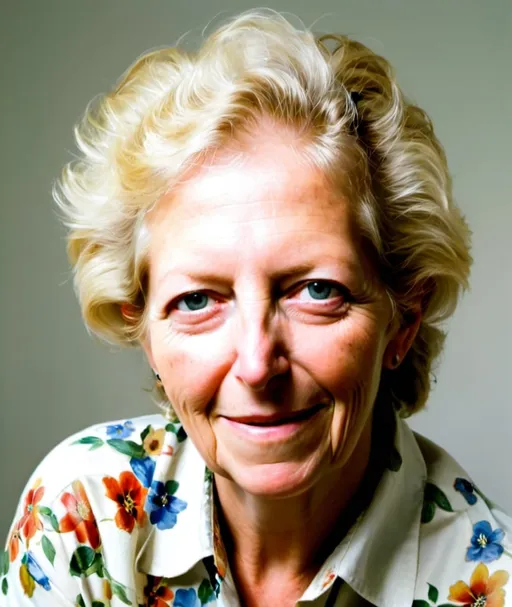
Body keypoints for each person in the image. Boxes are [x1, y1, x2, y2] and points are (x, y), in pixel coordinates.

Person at [3, 9, 511, 607]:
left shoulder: (491, 588)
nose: (256, 365)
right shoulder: (81, 516)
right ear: (143, 331)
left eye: (316, 291)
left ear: (404, 317)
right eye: (197, 300)